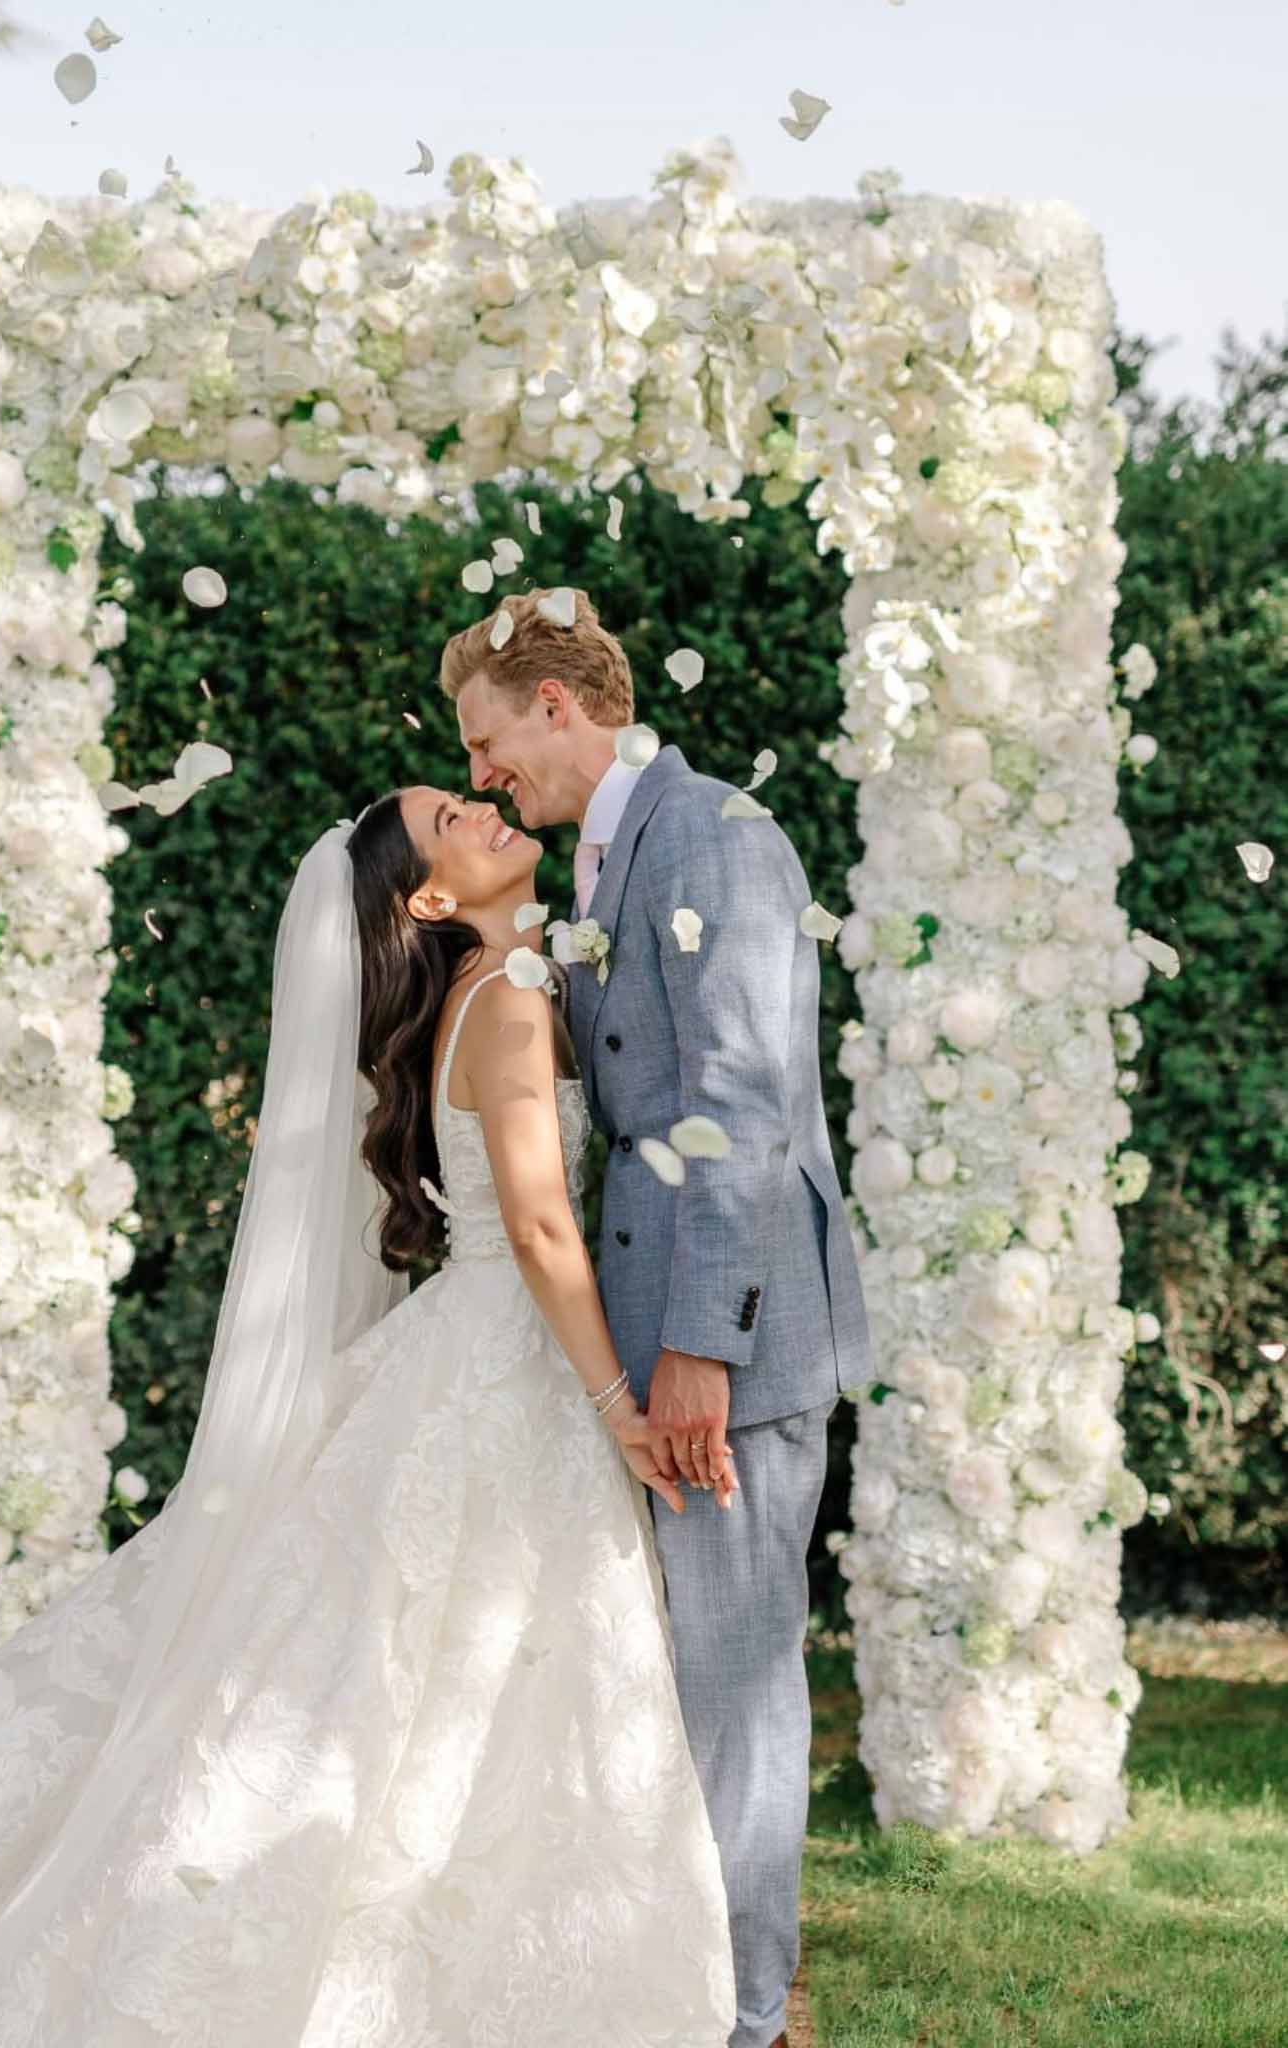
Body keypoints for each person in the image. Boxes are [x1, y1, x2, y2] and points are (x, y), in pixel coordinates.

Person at [0, 789, 747, 2046]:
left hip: (473, 1353)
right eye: (458, 817)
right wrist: (619, 1406)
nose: (492, 810)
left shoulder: (491, 990)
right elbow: (545, 1225)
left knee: (434, 1659)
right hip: (510, 1359)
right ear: (431, 900)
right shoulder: (504, 997)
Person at [443, 586, 874, 2048]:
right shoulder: (616, 847)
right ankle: (672, 1986)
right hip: (652, 1335)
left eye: (490, 742)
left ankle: (744, 2017)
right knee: (665, 1692)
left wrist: (701, 1347)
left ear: (554, 707)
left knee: (731, 1696)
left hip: (722, 1355)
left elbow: (740, 1108)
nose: (487, 773)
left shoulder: (708, 834)